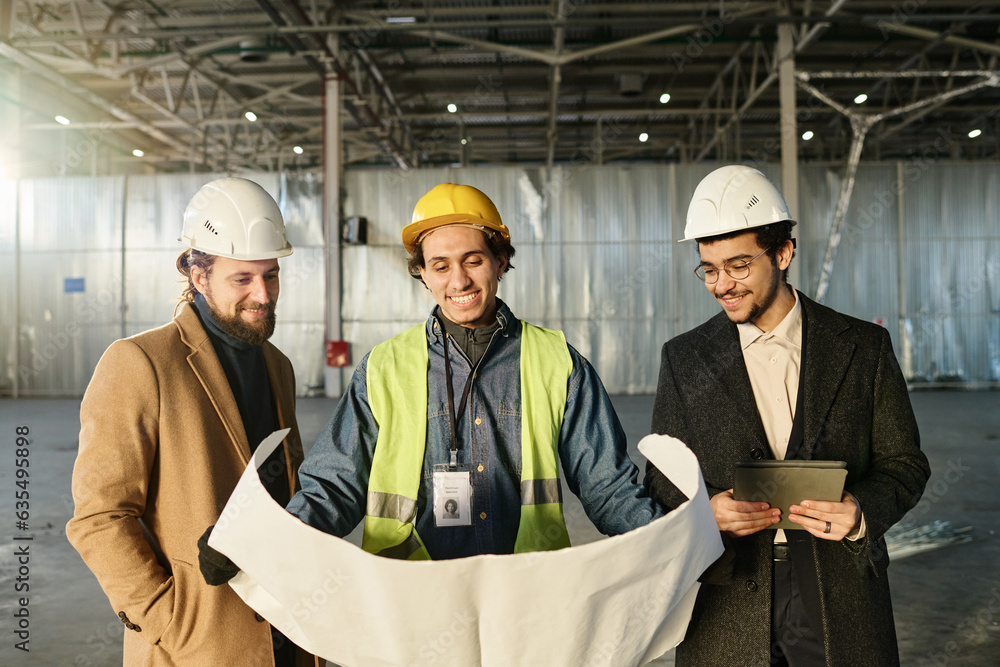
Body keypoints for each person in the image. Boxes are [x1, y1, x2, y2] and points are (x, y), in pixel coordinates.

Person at [643, 166, 930, 666]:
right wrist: (705, 510)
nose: (722, 285)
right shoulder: (684, 359)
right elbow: (662, 482)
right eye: (709, 268)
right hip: (726, 596)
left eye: (738, 265)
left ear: (783, 252)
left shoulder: (863, 348)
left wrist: (861, 510)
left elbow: (904, 463)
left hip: (839, 591)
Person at [282, 182, 662, 560]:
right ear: (423, 274)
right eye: (441, 266)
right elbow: (334, 485)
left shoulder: (558, 361)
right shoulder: (383, 367)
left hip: (524, 587)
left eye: (473, 260)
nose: (459, 280)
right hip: (412, 590)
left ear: (500, 261)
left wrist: (674, 537)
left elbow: (607, 486)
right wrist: (271, 543)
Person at [66, 178, 317, 666]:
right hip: (199, 645)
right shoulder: (140, 363)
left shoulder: (277, 366)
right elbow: (99, 516)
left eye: (271, 275)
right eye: (242, 279)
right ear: (198, 275)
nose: (263, 295)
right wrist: (164, 617)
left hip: (288, 632)